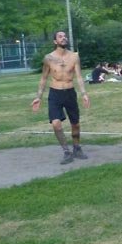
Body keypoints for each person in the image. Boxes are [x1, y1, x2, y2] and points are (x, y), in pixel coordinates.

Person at [31, 30, 91, 164]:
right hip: (55, 93)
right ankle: (66, 151)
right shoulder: (48, 58)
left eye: (65, 36)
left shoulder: (74, 56)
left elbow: (79, 77)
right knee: (56, 124)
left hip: (70, 93)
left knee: (75, 124)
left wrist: (84, 94)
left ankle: (76, 148)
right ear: (55, 41)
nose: (64, 38)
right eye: (60, 36)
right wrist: (38, 97)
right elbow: (43, 78)